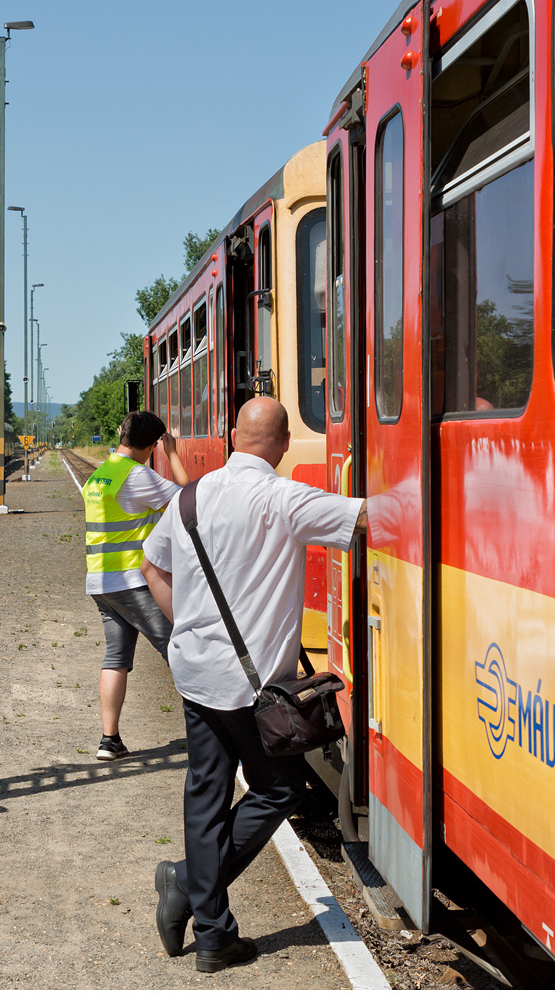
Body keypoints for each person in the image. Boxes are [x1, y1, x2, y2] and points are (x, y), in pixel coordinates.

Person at [140, 396, 366, 973]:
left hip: (194, 672)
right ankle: (192, 890)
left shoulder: (190, 497)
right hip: (253, 686)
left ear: (234, 437)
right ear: (285, 443)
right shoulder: (284, 497)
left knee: (206, 796)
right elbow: (364, 518)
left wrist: (186, 629)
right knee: (280, 789)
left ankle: (212, 933)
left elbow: (151, 568)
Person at [81, 410, 190, 760]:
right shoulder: (137, 476)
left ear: (121, 434)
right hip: (132, 582)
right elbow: (190, 501)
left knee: (115, 657)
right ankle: (211, 735)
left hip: (101, 581)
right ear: (154, 443)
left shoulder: (101, 475)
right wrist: (173, 455)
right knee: (181, 651)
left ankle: (109, 740)